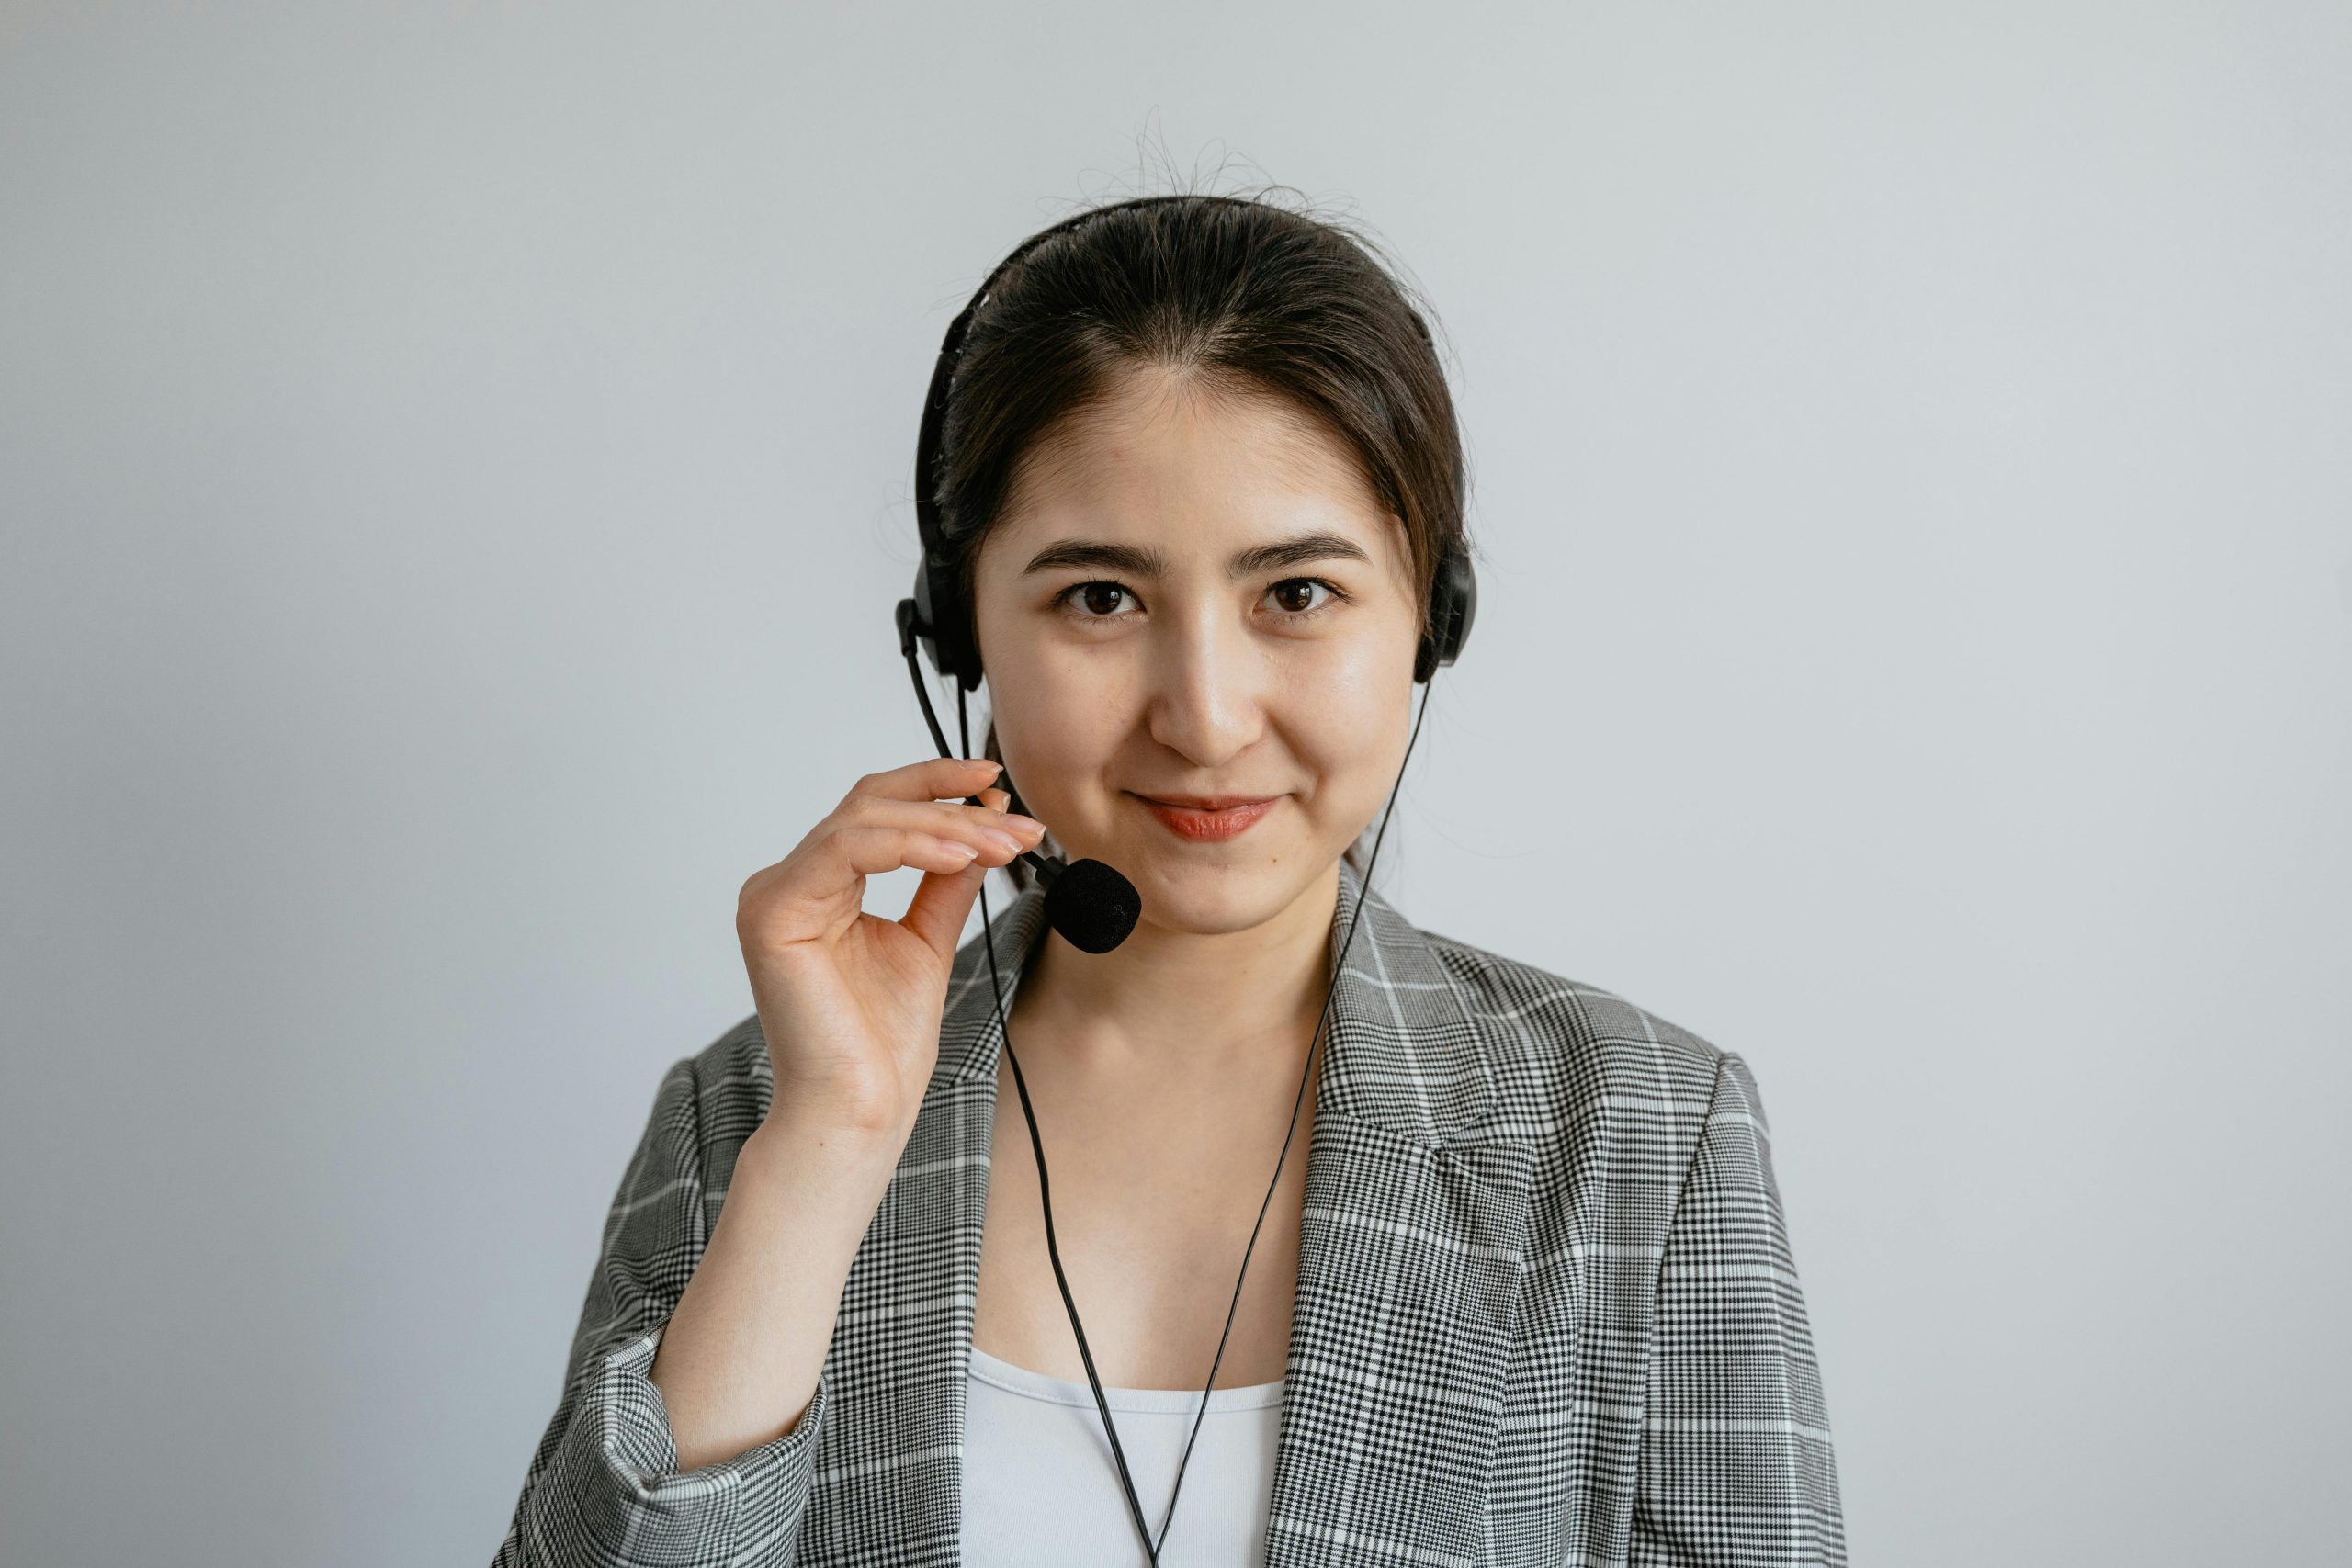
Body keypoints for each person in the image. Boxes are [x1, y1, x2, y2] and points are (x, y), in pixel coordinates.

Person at [491, 190, 1844, 1567]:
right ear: (960, 640)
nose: (1202, 717)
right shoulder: (750, 1121)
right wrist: (827, 1151)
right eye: (1100, 598)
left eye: (1298, 594)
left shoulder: (1642, 1136)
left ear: (1429, 622)